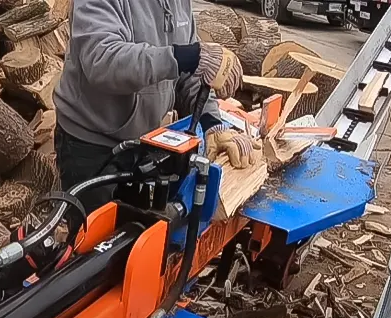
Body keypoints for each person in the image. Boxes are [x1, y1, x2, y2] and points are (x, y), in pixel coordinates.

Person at [53, 0, 261, 213]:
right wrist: (185, 57)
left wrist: (211, 122)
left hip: (145, 142)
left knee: (141, 232)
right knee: (93, 239)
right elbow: (103, 61)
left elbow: (187, 77)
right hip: (92, 145)